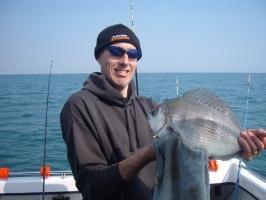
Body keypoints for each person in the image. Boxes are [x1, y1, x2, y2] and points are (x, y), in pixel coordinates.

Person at [60, 23, 266, 200]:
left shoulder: (149, 107)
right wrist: (150, 152)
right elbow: (92, 187)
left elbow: (195, 147)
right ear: (98, 56)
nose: (125, 60)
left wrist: (241, 147)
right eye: (116, 52)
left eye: (133, 54)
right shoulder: (79, 105)